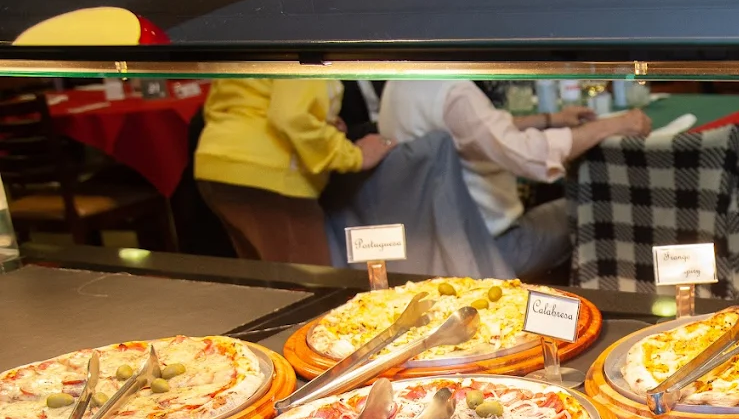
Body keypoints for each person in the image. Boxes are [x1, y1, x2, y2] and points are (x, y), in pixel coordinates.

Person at [378, 80, 651, 277]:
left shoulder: (398, 82)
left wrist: (550, 119)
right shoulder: (453, 92)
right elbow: (529, 156)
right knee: (591, 207)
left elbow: (476, 130)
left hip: (425, 245)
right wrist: (613, 125)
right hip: (487, 248)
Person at [195, 79, 394, 265]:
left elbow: (226, 103)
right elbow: (291, 117)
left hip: (219, 162)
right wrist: (354, 156)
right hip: (270, 173)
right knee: (313, 282)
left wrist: (324, 123)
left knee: (270, 283)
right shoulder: (303, 51)